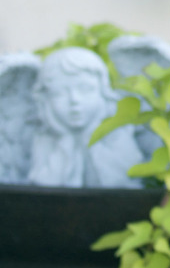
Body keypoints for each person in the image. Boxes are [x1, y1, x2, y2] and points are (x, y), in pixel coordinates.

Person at [28, 48, 143, 187]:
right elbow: (41, 186)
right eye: (59, 93)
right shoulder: (45, 139)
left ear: (103, 92)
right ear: (45, 99)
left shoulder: (116, 135)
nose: (74, 100)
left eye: (85, 89)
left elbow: (124, 182)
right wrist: (65, 144)